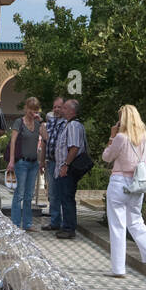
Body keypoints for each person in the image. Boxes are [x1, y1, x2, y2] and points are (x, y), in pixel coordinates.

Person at [101, 103, 146, 276]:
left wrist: (111, 137)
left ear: (123, 119)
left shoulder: (121, 137)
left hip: (120, 181)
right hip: (137, 183)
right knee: (136, 220)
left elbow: (107, 157)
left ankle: (118, 269)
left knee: (117, 226)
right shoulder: (145, 136)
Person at [6, 96, 44, 232]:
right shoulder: (18, 122)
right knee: (19, 194)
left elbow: (46, 138)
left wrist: (42, 122)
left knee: (29, 196)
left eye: (35, 110)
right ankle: (15, 224)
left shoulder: (38, 124)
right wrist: (11, 161)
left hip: (34, 164)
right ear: (26, 108)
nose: (32, 112)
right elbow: (13, 142)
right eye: (30, 109)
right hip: (21, 163)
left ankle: (27, 224)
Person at [53, 97, 88, 238]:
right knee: (65, 197)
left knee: (67, 198)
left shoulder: (73, 125)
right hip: (65, 168)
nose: (62, 110)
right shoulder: (69, 124)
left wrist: (65, 165)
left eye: (65, 108)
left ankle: (69, 228)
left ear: (72, 111)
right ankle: (66, 226)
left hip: (68, 168)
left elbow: (74, 147)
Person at [44, 96, 67, 231]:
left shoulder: (66, 123)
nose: (57, 109)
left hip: (62, 163)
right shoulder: (52, 121)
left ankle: (63, 222)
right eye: (55, 107)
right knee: (52, 193)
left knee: (62, 192)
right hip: (51, 162)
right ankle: (54, 222)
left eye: (60, 107)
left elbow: (59, 142)